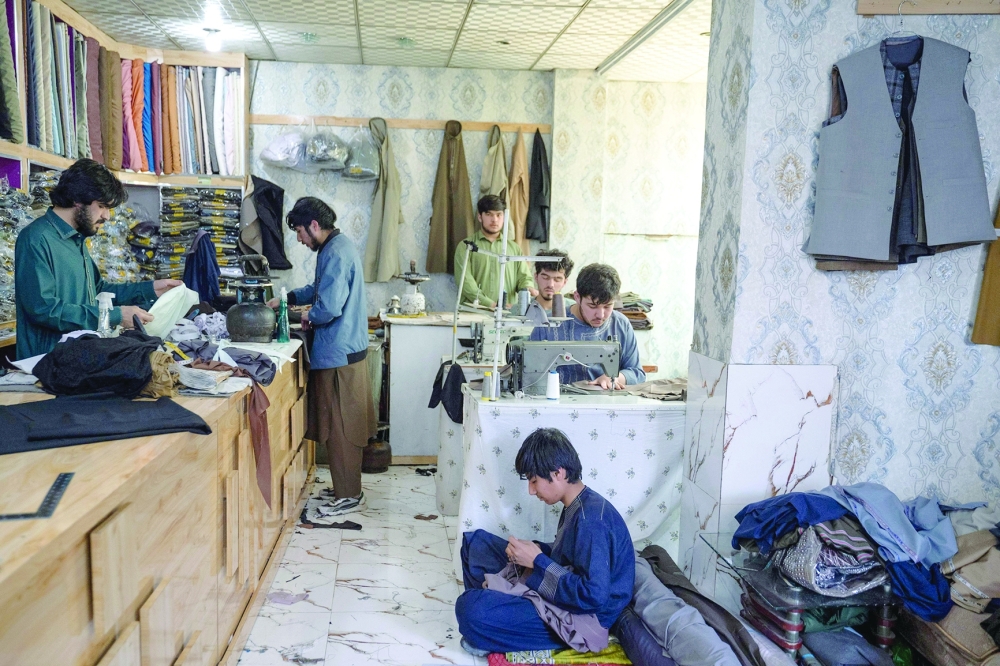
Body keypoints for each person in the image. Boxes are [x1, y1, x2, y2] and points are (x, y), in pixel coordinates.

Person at [456, 428, 635, 655]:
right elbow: (573, 556)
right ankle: (497, 619)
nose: (531, 491)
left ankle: (492, 624)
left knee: (470, 608)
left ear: (558, 473)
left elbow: (593, 596)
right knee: (476, 545)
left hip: (584, 618)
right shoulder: (578, 504)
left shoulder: (592, 521)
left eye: (534, 481)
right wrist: (539, 550)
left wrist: (538, 561)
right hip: (568, 593)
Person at [268, 197, 376, 517]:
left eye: (300, 232)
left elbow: (328, 307)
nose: (300, 239)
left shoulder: (336, 252)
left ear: (314, 226)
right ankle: (346, 487)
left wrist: (307, 315)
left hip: (340, 353)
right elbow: (318, 288)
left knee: (342, 427)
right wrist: (287, 298)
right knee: (336, 423)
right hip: (341, 350)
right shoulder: (334, 247)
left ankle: (349, 495)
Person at [14, 159, 182, 359]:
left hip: (75, 359)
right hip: (43, 363)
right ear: (78, 199)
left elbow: (98, 292)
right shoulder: (36, 239)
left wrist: (150, 289)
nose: (107, 216)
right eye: (102, 206)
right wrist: (115, 316)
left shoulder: (76, 239)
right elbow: (44, 309)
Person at [530, 263, 645, 390]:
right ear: (577, 297)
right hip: (558, 401)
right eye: (592, 306)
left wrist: (615, 377)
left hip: (605, 402)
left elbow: (637, 373)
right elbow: (530, 371)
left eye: (607, 306)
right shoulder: (547, 324)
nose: (600, 315)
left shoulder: (621, 324)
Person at [454, 194, 537, 308]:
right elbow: (465, 283)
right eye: (489, 214)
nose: (494, 220)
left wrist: (529, 289)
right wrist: (490, 304)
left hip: (507, 315)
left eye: (499, 215)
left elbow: (524, 277)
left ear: (504, 217)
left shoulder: (514, 248)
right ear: (480, 217)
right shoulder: (465, 246)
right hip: (474, 314)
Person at [533, 249, 573, 314]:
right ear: (536, 277)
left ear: (564, 282)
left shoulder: (575, 311)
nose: (551, 284)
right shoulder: (518, 310)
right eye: (545, 278)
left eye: (557, 279)